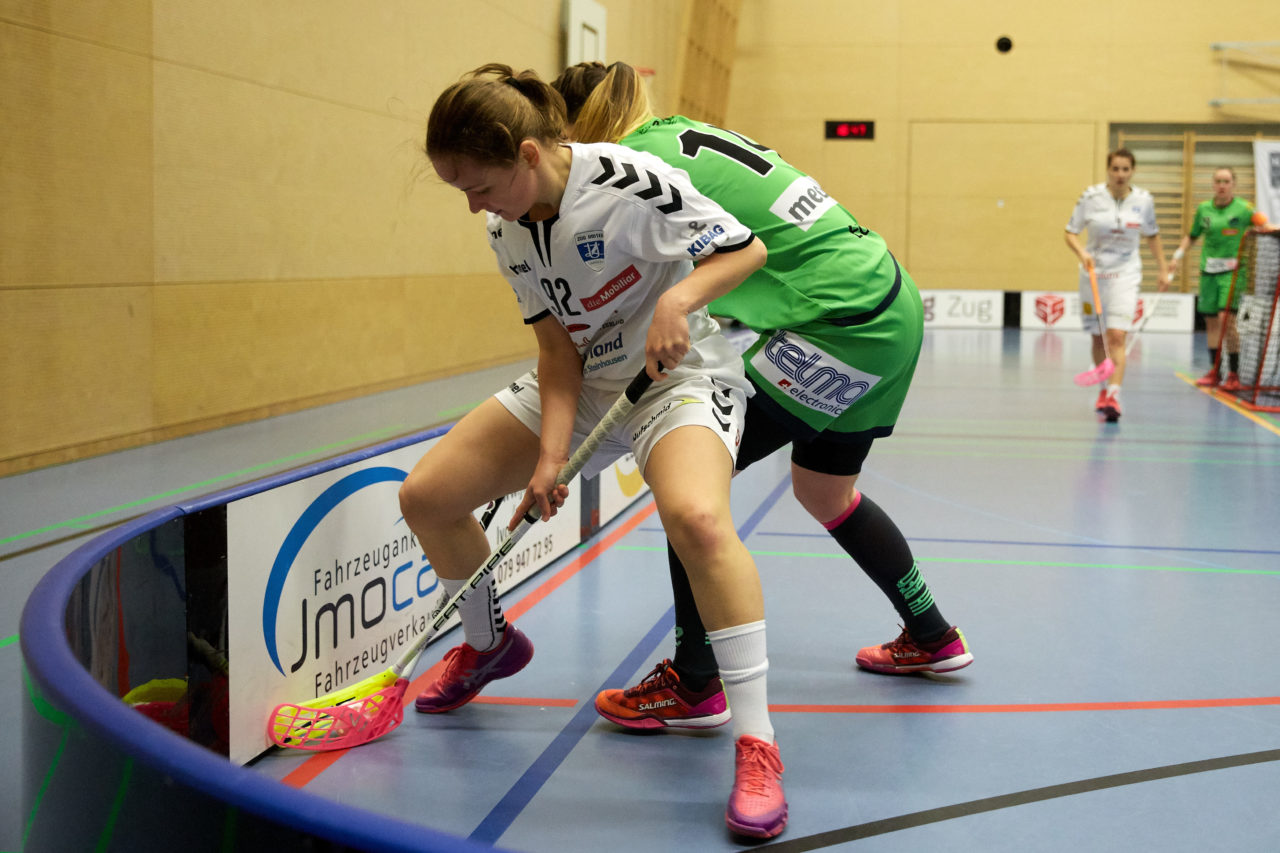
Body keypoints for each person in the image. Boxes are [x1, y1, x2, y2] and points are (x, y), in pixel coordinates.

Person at [398, 64, 787, 839]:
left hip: (675, 376)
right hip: (585, 379)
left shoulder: (633, 182)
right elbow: (555, 351)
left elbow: (747, 250)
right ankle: (487, 643)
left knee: (699, 520)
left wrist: (677, 299)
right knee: (428, 496)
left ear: (529, 153)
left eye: (478, 184)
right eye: (459, 190)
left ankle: (758, 742)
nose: (473, 205)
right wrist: (550, 458)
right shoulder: (504, 223)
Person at [550, 61, 972, 734]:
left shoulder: (625, 165)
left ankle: (694, 681)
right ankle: (932, 634)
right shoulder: (677, 132)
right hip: (886, 301)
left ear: (578, 127)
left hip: (840, 321)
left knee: (692, 481)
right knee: (826, 492)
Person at [1064, 148, 1171, 422]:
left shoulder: (1143, 200)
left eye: (1125, 169)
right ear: (1108, 170)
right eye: (1116, 169)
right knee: (1098, 337)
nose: (1120, 175)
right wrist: (1082, 253)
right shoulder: (1091, 197)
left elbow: (1152, 235)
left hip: (1125, 274)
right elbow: (1070, 232)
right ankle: (1102, 389)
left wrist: (1162, 269)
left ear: (1132, 171)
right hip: (1094, 275)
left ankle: (1114, 393)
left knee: (1116, 336)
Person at [1169, 167, 1255, 391]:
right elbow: (1192, 236)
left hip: (1233, 273)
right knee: (1211, 322)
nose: (1222, 185)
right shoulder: (1204, 209)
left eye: (1226, 181)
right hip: (1208, 272)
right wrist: (1177, 256)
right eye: (1218, 181)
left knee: (1227, 318)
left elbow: (1263, 225)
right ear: (1213, 184)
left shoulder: (1245, 209)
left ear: (1233, 184)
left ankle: (1234, 373)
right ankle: (1214, 371)